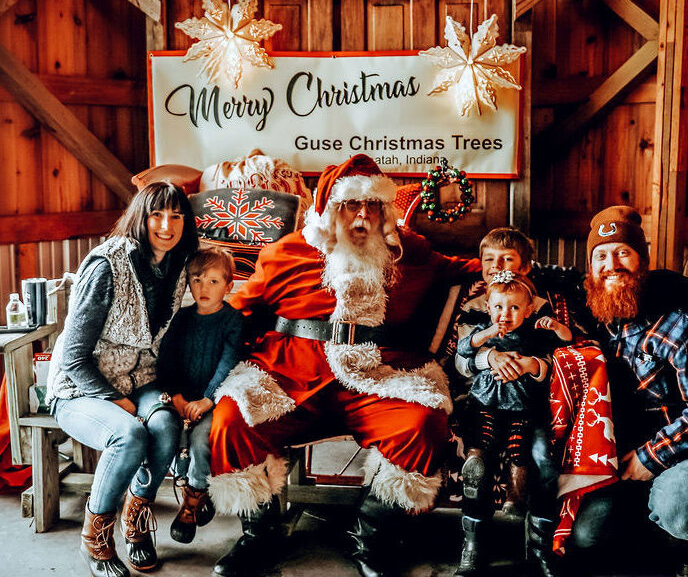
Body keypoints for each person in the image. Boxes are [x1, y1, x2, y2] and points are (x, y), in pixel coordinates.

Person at [207, 154, 480, 577]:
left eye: (373, 206)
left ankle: (371, 535)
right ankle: (260, 535)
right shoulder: (286, 253)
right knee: (233, 418)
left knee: (424, 424)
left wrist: (513, 275)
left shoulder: (410, 252)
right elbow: (237, 313)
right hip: (291, 378)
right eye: (351, 205)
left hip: (381, 377)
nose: (363, 216)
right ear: (328, 208)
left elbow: (467, 269)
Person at [46, 182, 198, 577]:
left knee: (165, 425)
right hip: (80, 387)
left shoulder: (178, 264)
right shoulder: (106, 265)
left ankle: (136, 523)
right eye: (157, 215)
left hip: (139, 378)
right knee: (128, 435)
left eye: (176, 216)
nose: (167, 225)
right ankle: (95, 540)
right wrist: (115, 400)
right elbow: (75, 357)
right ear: (140, 218)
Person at [446, 227, 581, 577]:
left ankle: (541, 546)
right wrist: (488, 357)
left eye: (507, 259)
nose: (496, 265)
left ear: (526, 265)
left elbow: (565, 355)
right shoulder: (475, 305)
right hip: (483, 398)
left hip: (530, 402)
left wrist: (533, 365)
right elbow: (460, 359)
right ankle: (474, 544)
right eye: (489, 259)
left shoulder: (541, 307)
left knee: (542, 457)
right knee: (477, 461)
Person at [569, 205, 688, 574]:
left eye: (623, 252)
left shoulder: (677, 323)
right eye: (600, 256)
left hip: (673, 454)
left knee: (677, 503)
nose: (612, 264)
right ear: (590, 269)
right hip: (612, 457)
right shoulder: (585, 317)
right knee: (588, 538)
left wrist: (651, 457)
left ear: (642, 261)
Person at [157, 247, 244, 544]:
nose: (203, 287)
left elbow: (228, 362)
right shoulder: (181, 319)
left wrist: (208, 399)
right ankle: (187, 484)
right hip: (181, 397)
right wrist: (178, 397)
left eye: (213, 281)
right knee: (168, 435)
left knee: (200, 439)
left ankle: (192, 502)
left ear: (228, 286)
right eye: (197, 280)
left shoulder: (232, 321)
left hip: (213, 400)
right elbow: (167, 359)